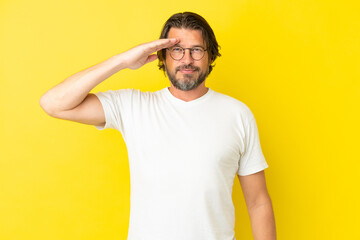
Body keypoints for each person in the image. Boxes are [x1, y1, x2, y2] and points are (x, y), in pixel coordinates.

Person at [40, 11, 276, 240]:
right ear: (162, 56)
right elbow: (53, 103)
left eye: (196, 50)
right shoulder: (132, 106)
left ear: (210, 55)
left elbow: (258, 203)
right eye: (176, 50)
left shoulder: (237, 114)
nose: (187, 59)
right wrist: (122, 60)